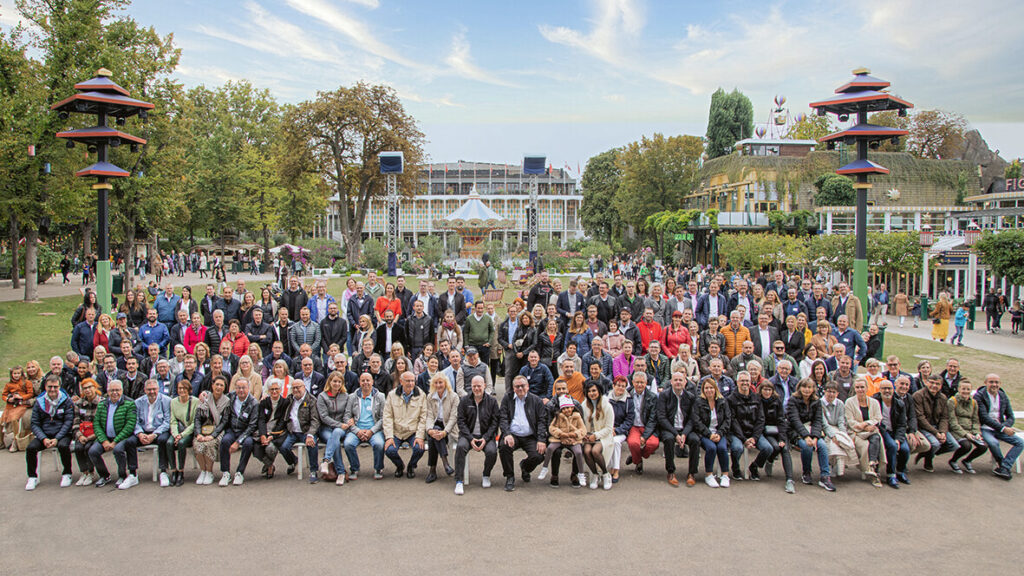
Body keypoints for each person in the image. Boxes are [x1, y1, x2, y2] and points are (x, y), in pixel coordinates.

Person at [498, 375, 548, 491]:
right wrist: (507, 433)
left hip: (530, 436)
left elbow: (541, 421)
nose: (520, 388)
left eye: (522, 386)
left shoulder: (536, 400)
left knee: (539, 455)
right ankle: (510, 476)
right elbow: (503, 417)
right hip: (513, 435)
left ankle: (525, 467)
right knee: (504, 447)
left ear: (528, 386)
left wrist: (541, 439)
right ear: (513, 388)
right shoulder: (507, 398)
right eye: (517, 386)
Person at [25, 375, 75, 490]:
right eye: (50, 387)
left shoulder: (66, 401)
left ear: (59, 387)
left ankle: (67, 473)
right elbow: (35, 423)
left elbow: (68, 422)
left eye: (55, 387)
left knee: (63, 446)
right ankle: (32, 477)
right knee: (31, 448)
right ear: (45, 387)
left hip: (62, 434)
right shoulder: (39, 402)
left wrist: (57, 438)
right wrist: (43, 438)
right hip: (45, 435)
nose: (52, 390)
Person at [453, 375, 500, 495]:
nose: (477, 388)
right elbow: (461, 421)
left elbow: (495, 423)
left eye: (479, 386)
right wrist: (470, 438)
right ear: (471, 387)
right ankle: (459, 481)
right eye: (474, 386)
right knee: (460, 447)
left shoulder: (492, 401)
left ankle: (486, 474)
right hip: (468, 434)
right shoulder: (464, 400)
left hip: (486, 435)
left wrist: (485, 438)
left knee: (492, 451)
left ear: (484, 385)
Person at [88, 380, 139, 488]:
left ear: (122, 390)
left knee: (118, 450)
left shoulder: (130, 403)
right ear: (107, 391)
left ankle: (122, 475)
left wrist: (115, 441)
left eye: (117, 390)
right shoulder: (102, 404)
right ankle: (104, 475)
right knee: (93, 451)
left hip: (122, 438)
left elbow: (130, 425)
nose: (115, 393)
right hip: (106, 437)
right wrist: (104, 440)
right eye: (112, 390)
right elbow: (96, 424)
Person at [786, 378, 835, 491]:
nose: (807, 390)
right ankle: (806, 472)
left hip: (812, 430)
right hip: (796, 431)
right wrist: (806, 436)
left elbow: (818, 420)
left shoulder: (817, 402)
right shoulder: (793, 400)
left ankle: (825, 476)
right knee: (806, 446)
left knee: (822, 445)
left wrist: (815, 437)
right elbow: (795, 421)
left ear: (813, 389)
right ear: (799, 387)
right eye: (804, 387)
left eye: (809, 387)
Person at [974, 373, 1023, 480]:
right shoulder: (979, 396)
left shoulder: (1003, 395)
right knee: (993, 443)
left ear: (1000, 384)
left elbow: (1011, 416)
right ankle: (1002, 465)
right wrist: (1003, 428)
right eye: (991, 382)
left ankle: (1005, 466)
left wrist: (1005, 426)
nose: (994, 384)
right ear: (985, 383)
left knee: (1020, 442)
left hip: (1001, 427)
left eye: (996, 382)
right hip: (986, 428)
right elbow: (984, 418)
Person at [656, 371, 699, 487]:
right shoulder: (664, 395)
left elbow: (692, 418)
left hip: (685, 429)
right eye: (676, 380)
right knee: (669, 440)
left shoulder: (690, 397)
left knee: (695, 440)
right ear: (671, 382)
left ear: (685, 382)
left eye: (681, 380)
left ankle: (692, 473)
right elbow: (662, 417)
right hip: (669, 429)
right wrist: (676, 434)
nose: (678, 382)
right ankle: (671, 472)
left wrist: (684, 434)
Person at [129, 379, 173, 488]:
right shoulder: (138, 402)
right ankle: (132, 474)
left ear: (158, 389)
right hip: (143, 432)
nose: (152, 392)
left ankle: (163, 471)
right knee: (129, 442)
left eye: (154, 389)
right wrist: (139, 433)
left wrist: (154, 434)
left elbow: (167, 421)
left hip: (159, 431)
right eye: (149, 390)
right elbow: (134, 421)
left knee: (163, 440)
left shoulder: (166, 400)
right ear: (145, 390)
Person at [215, 378, 258, 486]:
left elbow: (252, 426)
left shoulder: (253, 403)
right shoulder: (231, 396)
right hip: (232, 429)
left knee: (248, 443)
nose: (241, 390)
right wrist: (205, 394)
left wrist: (238, 442)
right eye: (238, 387)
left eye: (243, 388)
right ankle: (226, 473)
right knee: (224, 441)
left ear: (248, 388)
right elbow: (216, 394)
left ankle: (239, 472)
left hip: (246, 432)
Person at [344, 372, 386, 480]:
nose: (365, 383)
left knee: (379, 444)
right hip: (357, 429)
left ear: (372, 382)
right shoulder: (352, 397)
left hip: (374, 430)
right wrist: (357, 430)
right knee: (348, 444)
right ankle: (354, 468)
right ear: (359, 382)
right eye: (363, 380)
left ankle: (378, 468)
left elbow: (383, 417)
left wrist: (371, 431)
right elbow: (347, 416)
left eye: (368, 380)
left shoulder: (380, 397)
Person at [539, 395, 588, 489]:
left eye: (569, 407)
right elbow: (552, 427)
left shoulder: (577, 417)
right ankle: (546, 469)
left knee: (578, 452)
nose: (567, 410)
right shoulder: (558, 416)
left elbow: (583, 429)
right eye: (564, 408)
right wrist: (561, 434)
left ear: (572, 407)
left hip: (573, 439)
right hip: (559, 439)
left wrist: (575, 435)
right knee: (551, 449)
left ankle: (579, 474)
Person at [757, 375, 795, 493]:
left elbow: (781, 420)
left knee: (784, 448)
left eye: (769, 390)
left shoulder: (777, 401)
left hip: (778, 430)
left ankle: (789, 480)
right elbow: (759, 420)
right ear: (761, 390)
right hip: (765, 431)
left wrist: (783, 438)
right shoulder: (757, 401)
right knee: (775, 447)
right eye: (765, 389)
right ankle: (767, 461)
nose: (767, 392)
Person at [279, 379, 321, 484]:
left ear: (304, 387)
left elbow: (315, 420)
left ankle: (313, 470)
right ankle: (293, 461)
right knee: (283, 447)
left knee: (312, 444)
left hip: (306, 431)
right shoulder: (289, 400)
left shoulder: (311, 400)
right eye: (294, 388)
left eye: (298, 387)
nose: (296, 390)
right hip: (292, 432)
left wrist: (310, 435)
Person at [845, 379, 884, 487]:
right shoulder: (849, 402)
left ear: (867, 388)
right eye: (857, 387)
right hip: (856, 433)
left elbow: (878, 417)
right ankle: (869, 469)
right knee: (865, 446)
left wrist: (865, 424)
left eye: (862, 387)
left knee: (876, 438)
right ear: (854, 389)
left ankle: (872, 464)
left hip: (871, 431)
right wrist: (862, 427)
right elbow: (850, 421)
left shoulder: (874, 402)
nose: (860, 389)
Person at [913, 375, 956, 473]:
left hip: (937, 426)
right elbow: (920, 418)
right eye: (931, 382)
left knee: (953, 445)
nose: (934, 385)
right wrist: (936, 433)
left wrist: (943, 432)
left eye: (937, 384)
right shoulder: (918, 395)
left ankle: (926, 453)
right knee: (935, 444)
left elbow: (944, 417)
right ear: (927, 383)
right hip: (923, 426)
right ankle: (928, 460)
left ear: (941, 386)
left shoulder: (943, 397)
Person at [316, 371, 353, 485]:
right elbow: (323, 417)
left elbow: (347, 413)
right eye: (334, 381)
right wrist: (339, 424)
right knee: (335, 441)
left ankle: (326, 461)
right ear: (330, 382)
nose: (336, 384)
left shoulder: (346, 396)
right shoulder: (322, 396)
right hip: (326, 428)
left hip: (341, 428)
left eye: (339, 382)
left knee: (336, 433)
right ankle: (341, 472)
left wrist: (347, 422)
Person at [946, 380, 988, 474]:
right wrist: (965, 434)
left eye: (968, 389)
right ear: (959, 389)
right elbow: (952, 422)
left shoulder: (974, 402)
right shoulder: (952, 401)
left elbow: (975, 420)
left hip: (970, 430)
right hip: (957, 431)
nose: (965, 391)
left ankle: (967, 460)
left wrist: (977, 433)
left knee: (983, 446)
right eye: (963, 389)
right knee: (966, 445)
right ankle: (953, 461)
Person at [255, 379, 294, 479]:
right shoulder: (264, 403)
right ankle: (270, 465)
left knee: (270, 448)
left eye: (276, 389)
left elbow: (282, 421)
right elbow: (261, 419)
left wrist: (272, 436)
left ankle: (269, 468)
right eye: (271, 389)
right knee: (254, 447)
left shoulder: (285, 402)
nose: (274, 391)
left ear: (281, 389)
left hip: (278, 432)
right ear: (268, 390)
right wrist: (263, 435)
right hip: (263, 429)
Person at [424, 374, 458, 483]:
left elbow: (454, 417)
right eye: (436, 383)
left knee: (434, 437)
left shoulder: (453, 396)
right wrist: (429, 430)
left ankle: (433, 470)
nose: (438, 385)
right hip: (435, 425)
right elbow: (429, 416)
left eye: (441, 382)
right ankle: (446, 464)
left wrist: (445, 432)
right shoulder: (430, 397)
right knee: (434, 433)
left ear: (445, 383)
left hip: (450, 428)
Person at [624, 371, 660, 474]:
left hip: (647, 425)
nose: (639, 385)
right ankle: (638, 461)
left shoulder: (652, 397)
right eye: (637, 382)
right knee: (633, 443)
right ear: (633, 382)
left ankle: (635, 456)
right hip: (633, 426)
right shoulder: (627, 395)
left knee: (653, 444)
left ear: (646, 383)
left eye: (642, 382)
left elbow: (653, 419)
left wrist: (645, 436)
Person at [167, 380, 197, 487]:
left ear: (189, 390)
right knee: (169, 443)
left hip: (188, 432)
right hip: (177, 432)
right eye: (180, 388)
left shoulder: (195, 401)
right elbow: (173, 421)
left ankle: (181, 471)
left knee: (181, 443)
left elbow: (194, 423)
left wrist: (182, 435)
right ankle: (173, 471)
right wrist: (175, 435)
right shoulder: (173, 402)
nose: (182, 390)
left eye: (184, 388)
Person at [3, 366, 35, 452]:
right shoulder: (9, 385)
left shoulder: (26, 382)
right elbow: (4, 394)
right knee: (2, 420)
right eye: (14, 373)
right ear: (11, 374)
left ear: (21, 374)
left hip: (21, 405)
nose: (16, 375)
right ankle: (1, 442)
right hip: (11, 405)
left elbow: (30, 394)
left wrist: (21, 397)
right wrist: (8, 399)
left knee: (14, 419)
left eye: (18, 373)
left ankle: (16, 440)